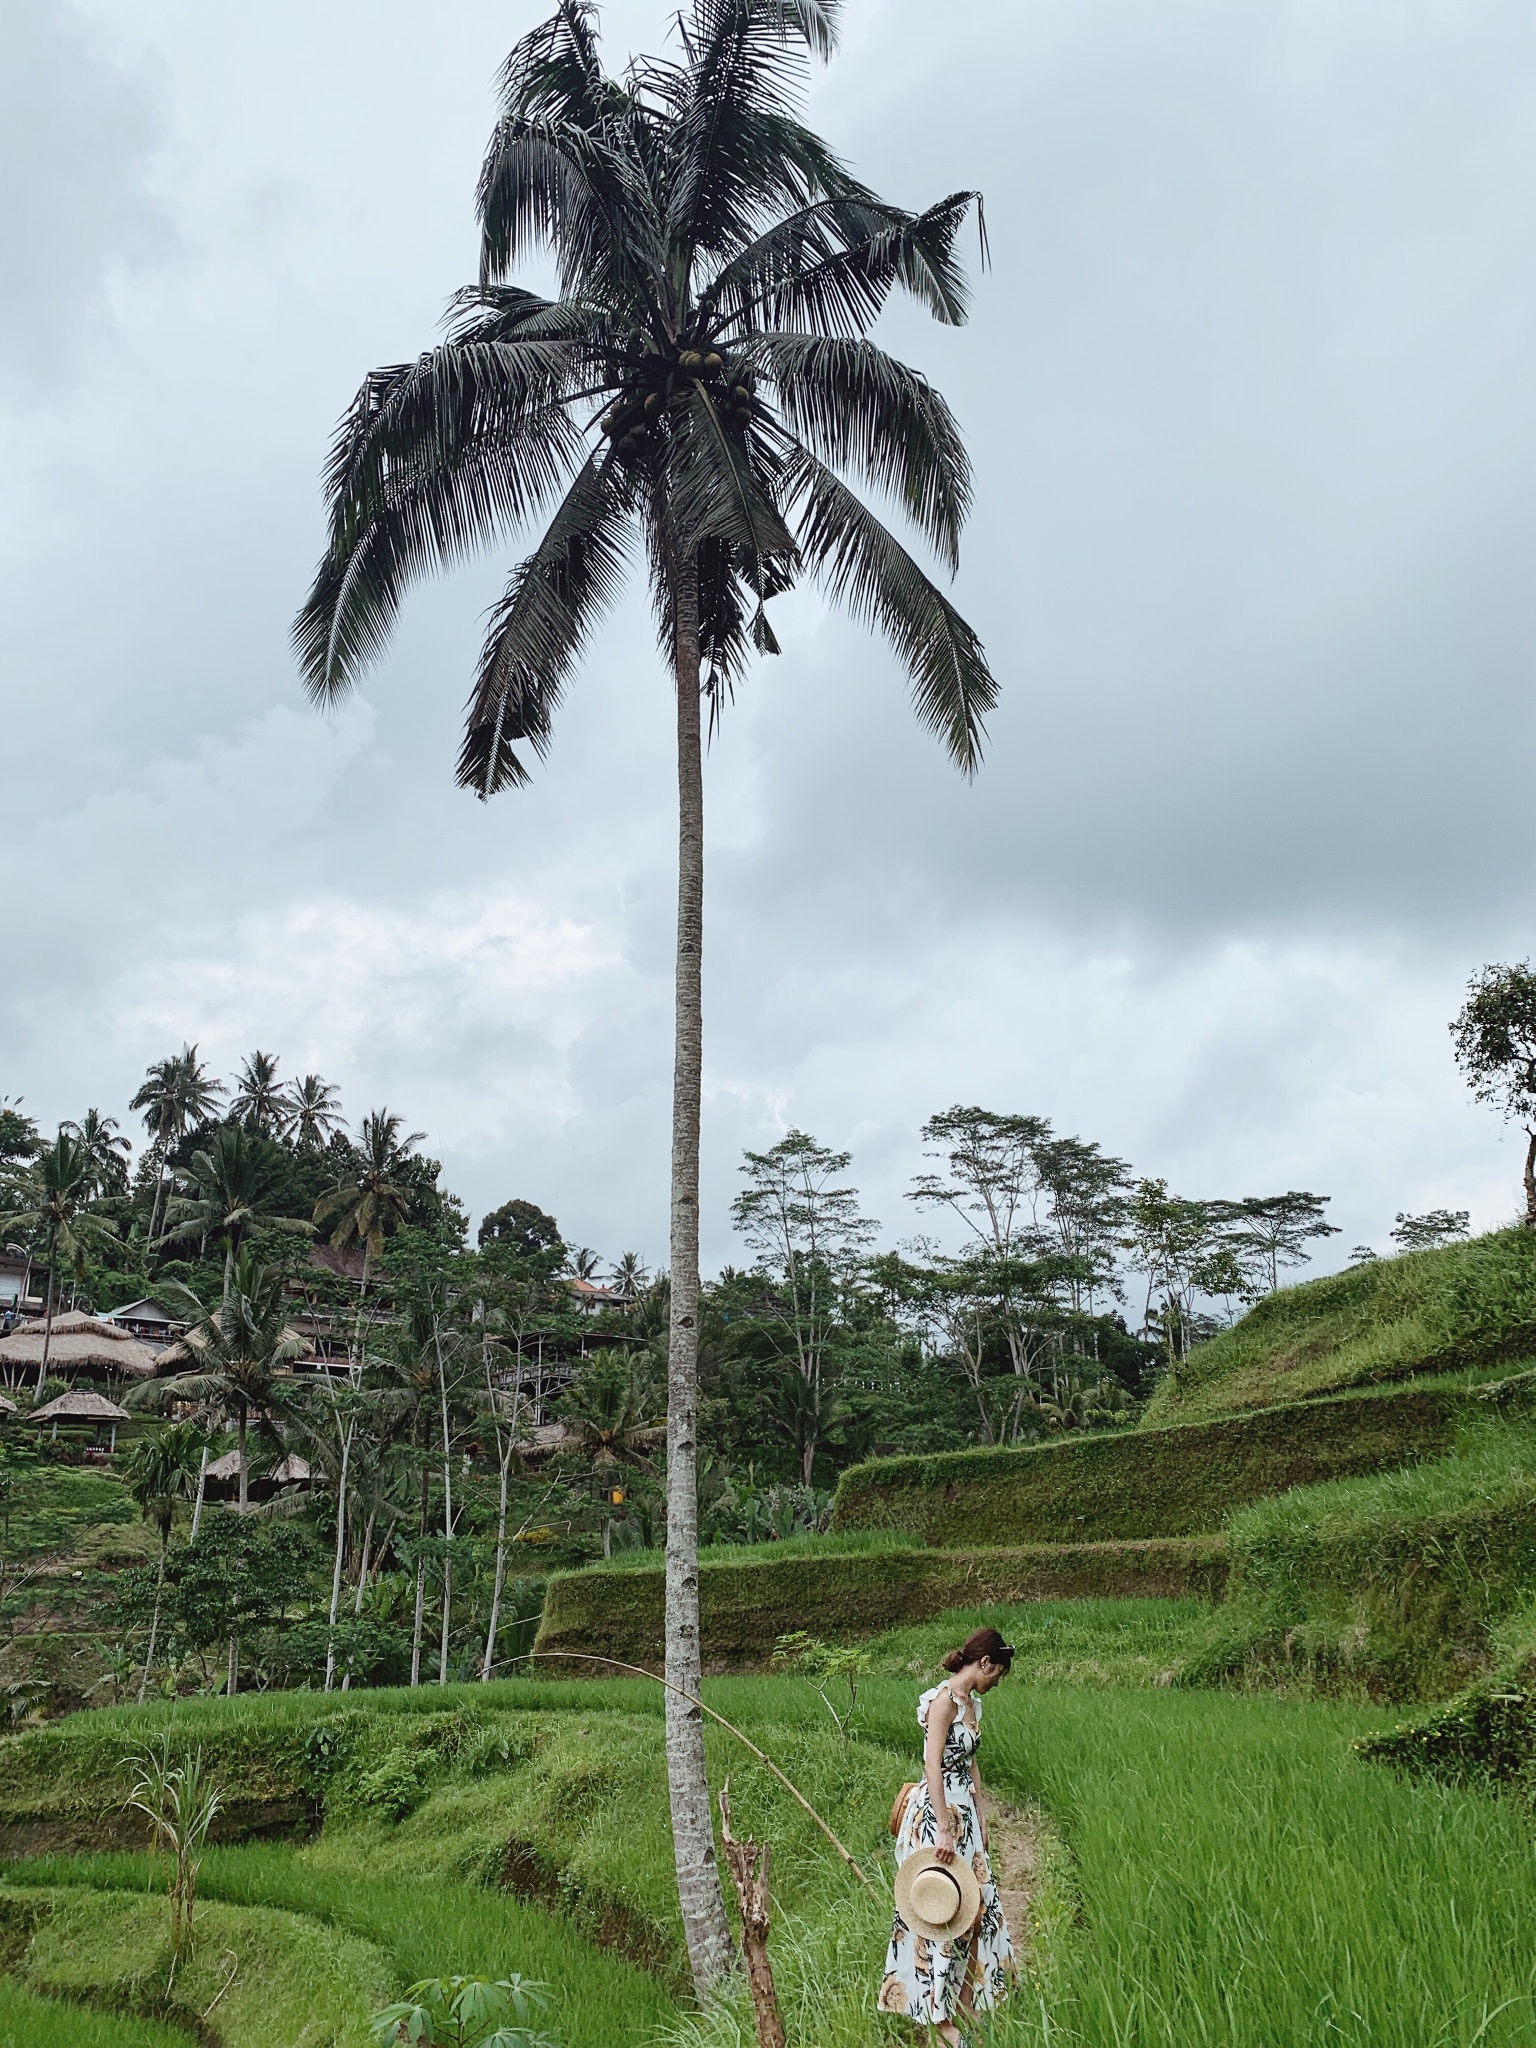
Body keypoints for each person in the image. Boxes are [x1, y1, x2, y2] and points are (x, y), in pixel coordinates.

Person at [880, 1626, 1015, 2040]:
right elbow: (931, 1765)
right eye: (997, 1674)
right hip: (940, 1813)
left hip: (966, 1813)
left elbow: (972, 1762)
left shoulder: (972, 1703)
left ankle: (967, 1999)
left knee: (977, 1910)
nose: (997, 1683)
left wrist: (983, 1816)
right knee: (943, 1910)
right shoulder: (943, 1702)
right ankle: (940, 2014)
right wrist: (943, 1825)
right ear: (984, 1663)